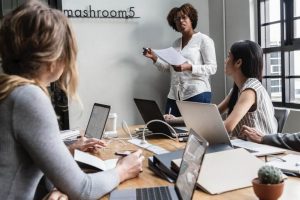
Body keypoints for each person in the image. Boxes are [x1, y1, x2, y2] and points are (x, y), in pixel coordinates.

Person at [0, 1, 144, 200]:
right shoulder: (28, 97)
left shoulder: (9, 91)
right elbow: (83, 190)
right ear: (53, 57)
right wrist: (122, 170)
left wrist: (67, 151)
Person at [143, 3, 217, 117]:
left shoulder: (204, 40)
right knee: (169, 130)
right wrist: (154, 58)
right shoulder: (176, 43)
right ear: (174, 24)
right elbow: (170, 69)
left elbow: (212, 68)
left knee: (193, 132)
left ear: (191, 19)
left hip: (197, 93)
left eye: (184, 17)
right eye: (177, 19)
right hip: (174, 95)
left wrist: (189, 67)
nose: (181, 21)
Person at [217, 40, 278, 138]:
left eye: (228, 56)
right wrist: (185, 120)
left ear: (238, 62)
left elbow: (228, 126)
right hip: (245, 144)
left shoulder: (250, 90)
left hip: (261, 148)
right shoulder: (237, 89)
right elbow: (215, 113)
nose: (225, 61)